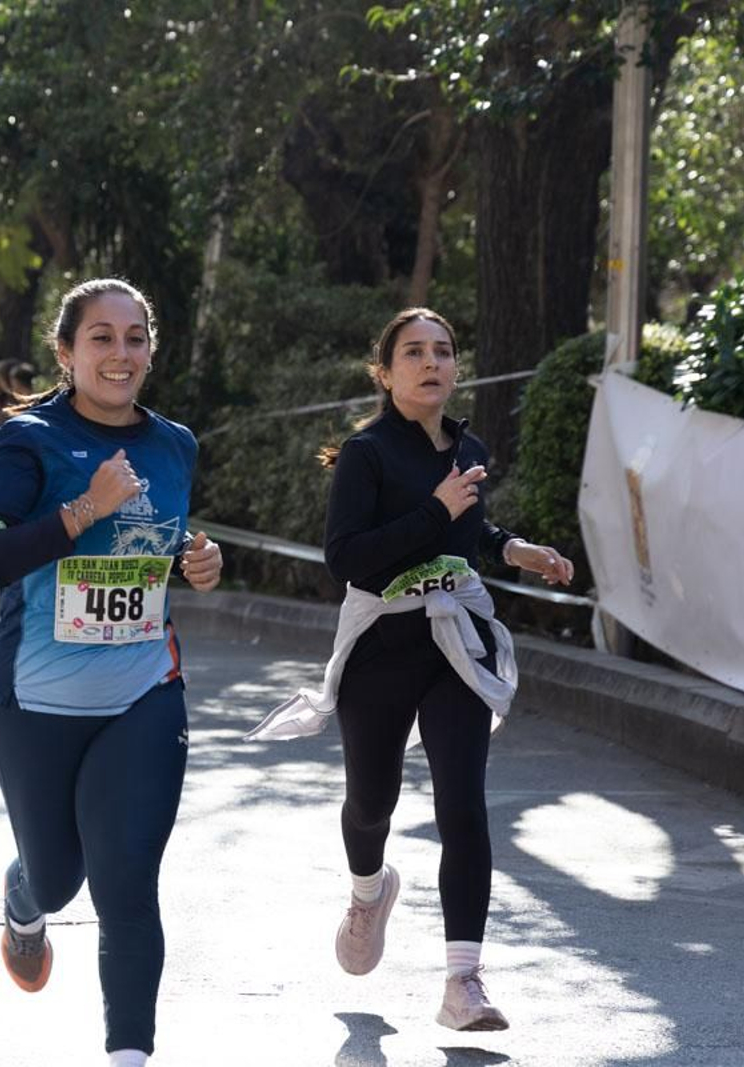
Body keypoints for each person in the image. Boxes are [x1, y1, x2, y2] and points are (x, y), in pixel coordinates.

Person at [247, 307, 576, 1033]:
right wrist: (434, 510)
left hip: (455, 639)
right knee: (372, 801)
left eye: (444, 351)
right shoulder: (367, 454)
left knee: (463, 804)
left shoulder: (468, 447)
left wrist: (514, 548)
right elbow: (348, 557)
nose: (432, 363)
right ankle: (370, 890)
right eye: (414, 352)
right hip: (381, 646)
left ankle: (464, 981)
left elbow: (469, 529)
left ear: (457, 367)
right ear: (386, 372)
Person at [0, 278, 223, 1067]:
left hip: (143, 691)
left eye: (135, 337)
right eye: (101, 338)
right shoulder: (26, 440)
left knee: (128, 882)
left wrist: (199, 561)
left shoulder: (175, 443)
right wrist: (82, 509)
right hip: (32, 696)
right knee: (57, 878)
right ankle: (23, 898)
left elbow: (153, 552)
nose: (120, 353)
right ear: (67, 352)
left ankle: (128, 1055)